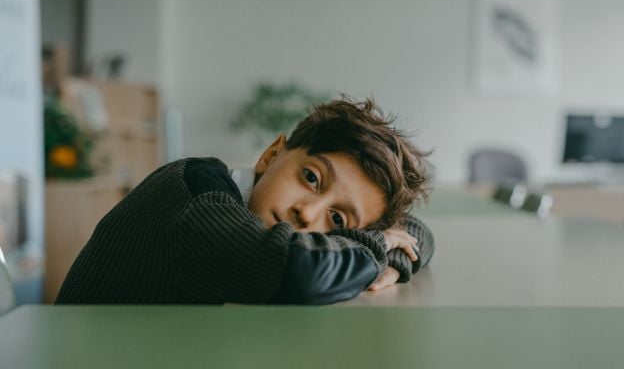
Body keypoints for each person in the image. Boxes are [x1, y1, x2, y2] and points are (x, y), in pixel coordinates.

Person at [56, 96, 434, 305]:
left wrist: (395, 260)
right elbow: (299, 270)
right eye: (311, 178)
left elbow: (413, 232)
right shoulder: (197, 196)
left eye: (337, 220)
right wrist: (375, 247)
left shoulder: (246, 208)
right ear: (271, 155)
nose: (307, 213)